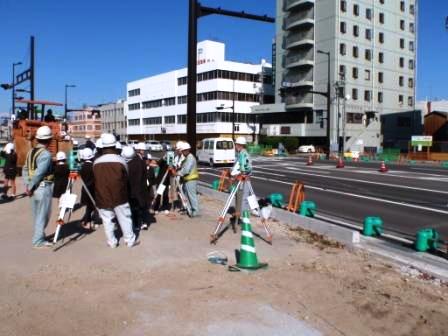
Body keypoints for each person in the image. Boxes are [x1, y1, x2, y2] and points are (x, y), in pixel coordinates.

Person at [93, 133, 138, 248]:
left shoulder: (96, 162)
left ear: (103, 146)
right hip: (120, 195)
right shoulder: (121, 161)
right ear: (114, 146)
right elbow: (126, 176)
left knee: (107, 220)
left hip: (102, 196)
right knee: (125, 218)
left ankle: (112, 242)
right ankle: (129, 240)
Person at [22, 125, 55, 248]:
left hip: (33, 188)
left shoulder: (31, 152)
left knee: (37, 215)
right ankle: (38, 241)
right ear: (49, 140)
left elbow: (25, 169)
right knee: (43, 215)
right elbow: (39, 173)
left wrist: (27, 185)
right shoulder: (45, 154)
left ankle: (39, 236)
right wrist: (30, 187)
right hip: (42, 187)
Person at [122, 145, 150, 231]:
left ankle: (136, 224)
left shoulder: (126, 164)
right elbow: (145, 174)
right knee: (143, 206)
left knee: (134, 207)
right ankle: (144, 222)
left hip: (132, 190)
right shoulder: (141, 162)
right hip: (142, 188)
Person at [231, 137, 252, 223]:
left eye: (236, 144)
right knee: (239, 199)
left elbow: (244, 166)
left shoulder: (243, 154)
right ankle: (239, 217)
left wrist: (241, 173)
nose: (235, 146)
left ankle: (244, 219)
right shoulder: (241, 154)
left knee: (243, 199)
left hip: (243, 179)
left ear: (239, 145)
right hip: (240, 178)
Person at [176, 142, 199, 217]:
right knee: (186, 195)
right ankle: (189, 210)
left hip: (191, 179)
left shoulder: (190, 158)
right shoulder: (187, 157)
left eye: (183, 151)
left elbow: (186, 170)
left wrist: (177, 173)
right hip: (187, 179)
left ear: (187, 150)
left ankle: (195, 212)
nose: (182, 152)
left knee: (191, 196)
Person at [79, 148, 96, 230]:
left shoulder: (81, 167)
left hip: (85, 188)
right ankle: (87, 222)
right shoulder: (93, 166)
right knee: (90, 206)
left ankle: (87, 221)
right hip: (92, 188)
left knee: (89, 206)